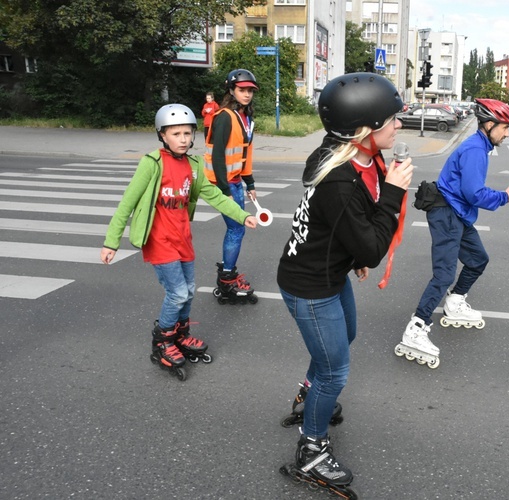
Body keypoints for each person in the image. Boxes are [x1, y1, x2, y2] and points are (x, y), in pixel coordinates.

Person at [276, 73, 412, 495]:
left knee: (345, 337)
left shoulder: (352, 156)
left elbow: (349, 232)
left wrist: (351, 253)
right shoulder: (340, 179)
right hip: (309, 283)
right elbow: (372, 246)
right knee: (336, 370)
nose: (400, 126)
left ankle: (307, 395)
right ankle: (311, 452)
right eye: (392, 120)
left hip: (328, 271)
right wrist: (393, 194)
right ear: (363, 130)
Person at [101, 103, 257, 381]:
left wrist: (242, 215)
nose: (183, 139)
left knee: (190, 289)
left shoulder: (194, 166)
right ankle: (162, 340)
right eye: (176, 134)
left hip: (182, 238)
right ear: (162, 135)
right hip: (159, 240)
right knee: (177, 293)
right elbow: (128, 202)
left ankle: (180, 335)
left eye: (187, 133)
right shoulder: (153, 164)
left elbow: (216, 196)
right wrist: (111, 242)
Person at [395, 98, 509, 369]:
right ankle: (416, 327)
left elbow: (468, 191)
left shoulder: (481, 146)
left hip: (457, 214)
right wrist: (504, 196)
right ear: (489, 125)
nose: (508, 133)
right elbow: (474, 193)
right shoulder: (475, 150)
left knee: (478, 259)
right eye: (505, 127)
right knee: (444, 274)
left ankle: (454, 302)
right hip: (446, 214)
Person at [204, 69, 259, 303]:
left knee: (238, 229)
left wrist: (250, 182)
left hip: (236, 181)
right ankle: (227, 279)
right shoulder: (225, 116)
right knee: (237, 229)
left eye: (250, 90)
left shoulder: (246, 118)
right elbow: (218, 156)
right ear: (231, 90)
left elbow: (244, 154)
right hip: (223, 184)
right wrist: (225, 192)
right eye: (241, 90)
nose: (246, 94)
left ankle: (228, 273)